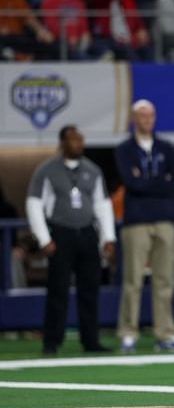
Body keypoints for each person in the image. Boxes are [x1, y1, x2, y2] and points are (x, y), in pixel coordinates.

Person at [26, 125, 115, 355]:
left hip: (86, 232)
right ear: (63, 142)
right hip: (61, 232)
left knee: (90, 289)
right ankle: (52, 341)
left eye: (81, 139)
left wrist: (108, 236)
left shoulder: (92, 169)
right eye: (74, 140)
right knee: (58, 289)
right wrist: (44, 237)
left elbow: (102, 204)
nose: (79, 143)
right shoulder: (47, 169)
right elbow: (34, 204)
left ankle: (91, 340)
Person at [115, 99, 174, 353]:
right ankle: (128, 332)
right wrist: (158, 181)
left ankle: (165, 333)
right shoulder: (124, 149)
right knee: (132, 279)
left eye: (151, 116)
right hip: (136, 220)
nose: (147, 120)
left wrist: (145, 180)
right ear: (134, 119)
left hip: (164, 218)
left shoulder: (166, 147)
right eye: (142, 116)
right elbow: (131, 183)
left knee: (164, 279)